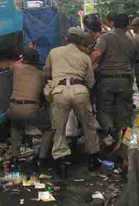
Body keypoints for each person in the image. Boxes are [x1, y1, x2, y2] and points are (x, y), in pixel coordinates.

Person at [44, 28, 101, 175]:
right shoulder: (85, 57)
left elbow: (47, 72)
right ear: (80, 41)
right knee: (88, 126)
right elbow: (90, 81)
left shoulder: (54, 52)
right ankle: (93, 159)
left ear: (65, 38)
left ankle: (62, 163)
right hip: (80, 91)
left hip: (60, 92)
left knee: (59, 128)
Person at [91, 14, 137, 146]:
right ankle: (123, 140)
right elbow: (132, 62)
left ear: (113, 24)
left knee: (103, 110)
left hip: (107, 80)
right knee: (123, 111)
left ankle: (111, 132)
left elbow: (97, 54)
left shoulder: (105, 37)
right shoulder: (132, 42)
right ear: (127, 25)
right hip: (126, 81)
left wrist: (85, 66)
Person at [7, 49, 53, 168]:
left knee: (16, 126)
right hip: (30, 108)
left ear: (23, 58)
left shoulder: (16, 67)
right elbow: (44, 94)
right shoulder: (40, 74)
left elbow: (11, 67)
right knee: (48, 129)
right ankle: (42, 158)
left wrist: (20, 60)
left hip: (13, 107)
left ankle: (15, 157)